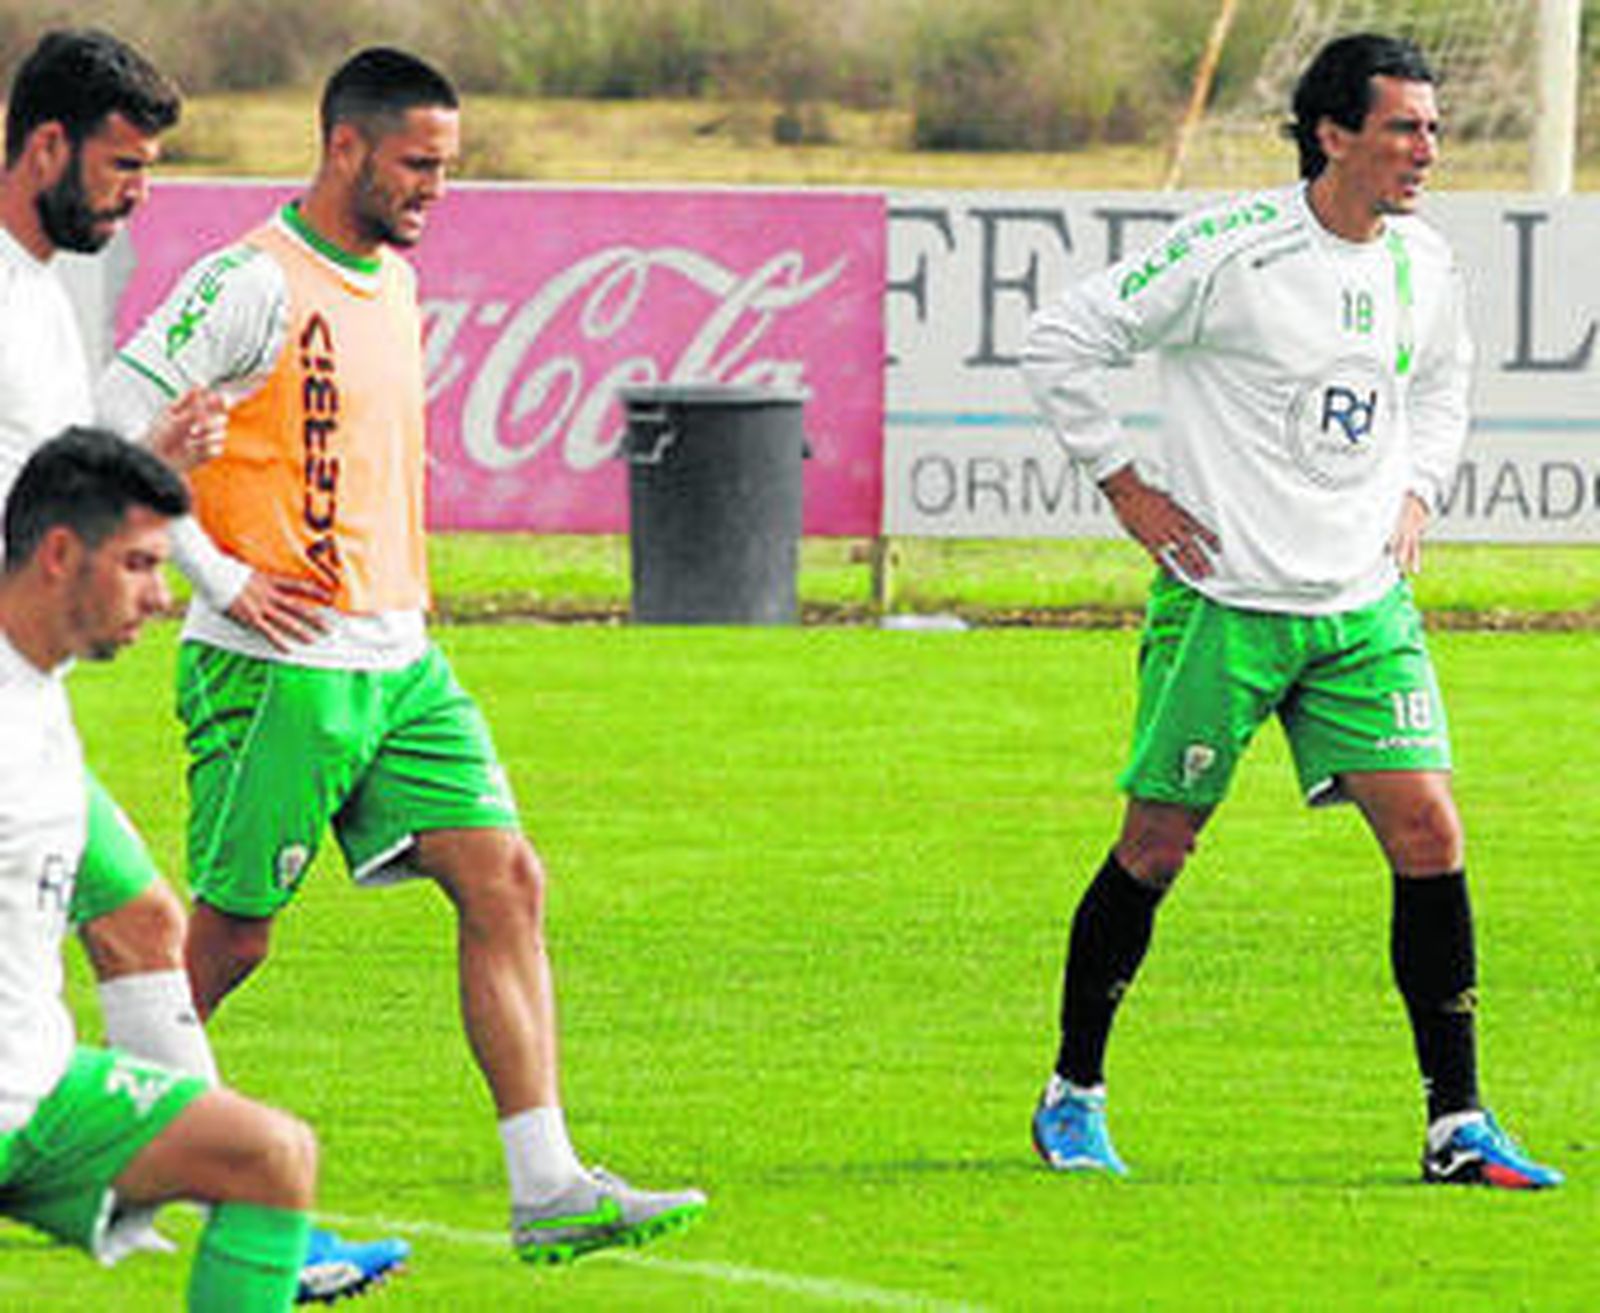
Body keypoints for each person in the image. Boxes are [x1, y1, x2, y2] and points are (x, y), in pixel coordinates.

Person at [97, 46, 708, 1261]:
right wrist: (217, 575)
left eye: (449, 166)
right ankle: (84, 1137)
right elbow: (110, 420)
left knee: (505, 876)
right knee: (227, 938)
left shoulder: (389, 278)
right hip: (276, 667)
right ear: (345, 149)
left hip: (401, 660)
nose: (436, 188)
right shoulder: (248, 282)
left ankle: (548, 1186)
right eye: (419, 164)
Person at [1020, 33, 1562, 1189]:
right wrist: (1123, 482)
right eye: (1404, 127)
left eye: (1430, 126)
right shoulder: (1230, 250)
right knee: (1157, 847)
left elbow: (1442, 385)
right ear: (1332, 133)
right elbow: (1064, 336)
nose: (1428, 149)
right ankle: (1072, 1092)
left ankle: (1456, 1121)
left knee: (1431, 832)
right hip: (1226, 602)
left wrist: (1418, 488)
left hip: (1362, 607)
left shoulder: (1423, 264)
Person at [0, 29, 408, 1300]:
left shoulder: (42, 294)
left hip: (30, 701)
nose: (138, 195)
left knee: (145, 921)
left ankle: (216, 1196)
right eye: (123, 166)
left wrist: (170, 492)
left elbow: (70, 478)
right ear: (46, 144)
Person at [0, 425, 323, 1311]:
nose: (161, 595)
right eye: (142, 565)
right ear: (62, 555)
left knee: (271, 1156)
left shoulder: (38, 689)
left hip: (40, 1087)